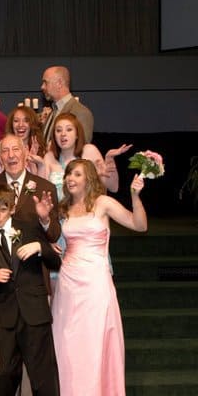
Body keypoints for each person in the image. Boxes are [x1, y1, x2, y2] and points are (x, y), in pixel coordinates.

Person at [51, 159, 147, 395]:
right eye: (68, 175)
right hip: (68, 283)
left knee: (94, 342)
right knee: (68, 343)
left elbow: (139, 225)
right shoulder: (63, 208)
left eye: (77, 174)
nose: (70, 179)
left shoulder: (102, 203)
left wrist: (134, 196)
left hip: (95, 283)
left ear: (89, 179)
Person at [0, 184, 61, 396]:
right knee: (6, 373)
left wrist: (40, 248)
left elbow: (55, 262)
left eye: (3, 209)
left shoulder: (28, 227)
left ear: (12, 209)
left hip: (34, 310)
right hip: (8, 315)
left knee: (42, 372)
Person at [0, 134, 61, 246]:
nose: (11, 155)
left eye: (15, 149)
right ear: (0, 158)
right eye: (5, 151)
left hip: (32, 261)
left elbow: (54, 235)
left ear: (25, 153)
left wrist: (45, 219)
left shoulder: (45, 188)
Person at [40, 113, 130, 198]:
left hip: (88, 211)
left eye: (69, 129)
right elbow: (41, 192)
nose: (63, 134)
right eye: (59, 130)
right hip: (57, 212)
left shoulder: (89, 151)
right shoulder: (49, 157)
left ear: (77, 134)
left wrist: (110, 162)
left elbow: (114, 188)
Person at [40, 66, 94, 144]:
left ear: (59, 83)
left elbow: (81, 149)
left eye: (45, 82)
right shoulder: (52, 112)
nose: (42, 87)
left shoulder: (81, 113)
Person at [5, 105, 46, 174]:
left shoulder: (42, 152)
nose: (20, 125)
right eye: (16, 121)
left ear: (32, 125)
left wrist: (32, 163)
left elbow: (43, 183)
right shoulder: (5, 152)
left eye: (26, 121)